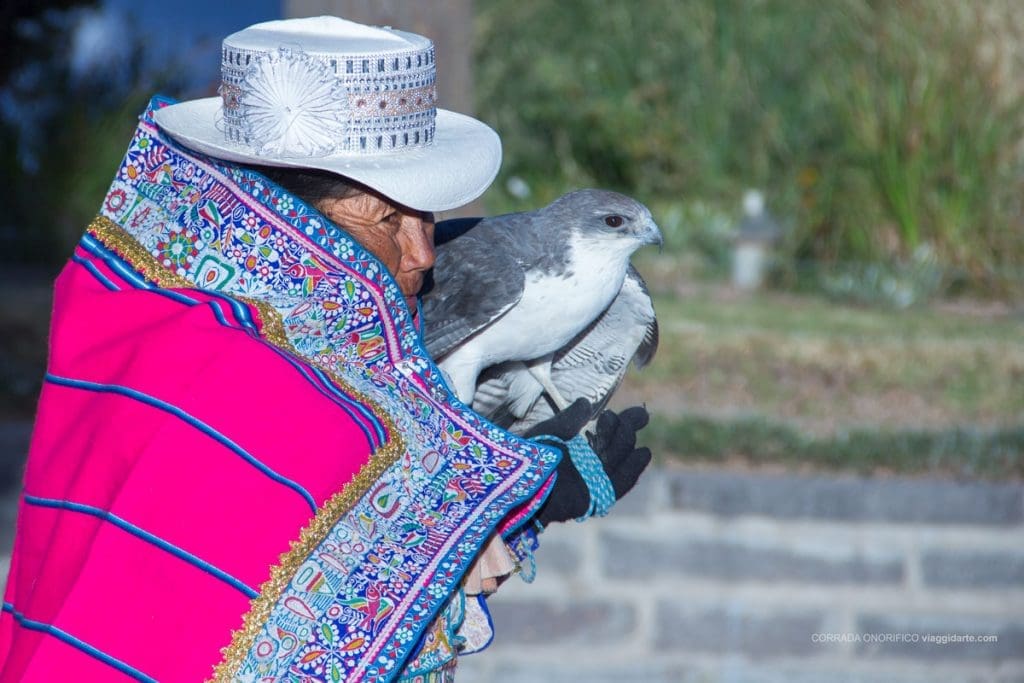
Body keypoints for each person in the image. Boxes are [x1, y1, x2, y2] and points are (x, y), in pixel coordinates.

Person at [0, 16, 651, 682]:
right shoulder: (261, 386)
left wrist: (513, 501)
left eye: (427, 217)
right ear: (288, 214)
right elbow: (335, 631)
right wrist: (520, 496)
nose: (425, 253)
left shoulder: (144, 312)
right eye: (390, 219)